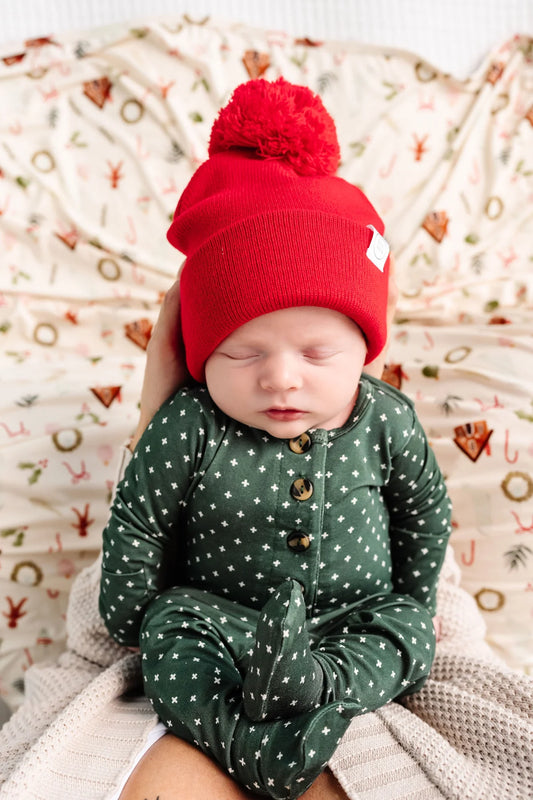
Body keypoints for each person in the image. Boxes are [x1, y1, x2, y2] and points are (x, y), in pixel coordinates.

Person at [99, 78, 452, 800]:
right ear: (200, 357)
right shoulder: (191, 424)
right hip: (222, 622)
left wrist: (412, 597)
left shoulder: (383, 419)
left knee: (409, 635)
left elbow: (423, 508)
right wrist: (131, 612)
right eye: (242, 353)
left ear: (364, 353)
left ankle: (316, 685)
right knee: (171, 629)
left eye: (316, 354)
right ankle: (239, 730)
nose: (280, 379)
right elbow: (140, 518)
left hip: (353, 620)